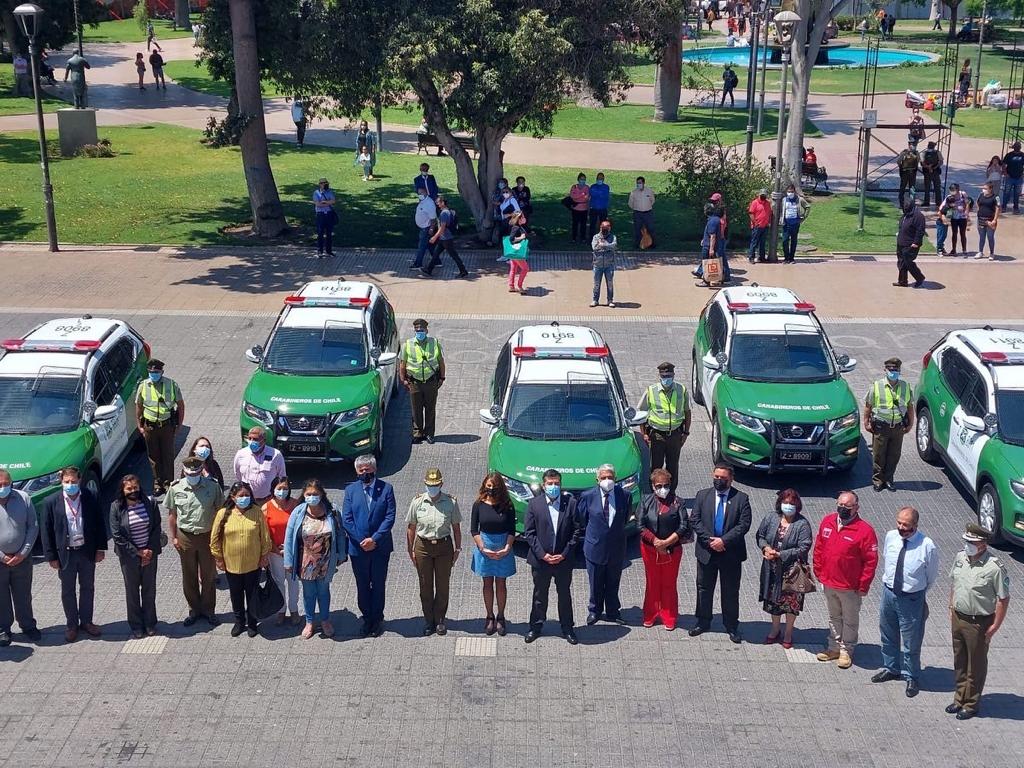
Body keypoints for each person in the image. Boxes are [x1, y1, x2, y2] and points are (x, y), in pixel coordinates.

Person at [871, 506, 939, 698]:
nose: (901, 527)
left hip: (911, 598)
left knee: (911, 641)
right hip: (889, 592)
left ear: (915, 525)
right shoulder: (891, 537)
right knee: (887, 632)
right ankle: (891, 668)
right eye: (899, 523)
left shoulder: (927, 545)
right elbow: (887, 559)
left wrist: (918, 592)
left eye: (906, 525)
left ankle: (911, 676)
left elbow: (931, 575)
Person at [946, 523, 1010, 720]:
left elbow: (1003, 599)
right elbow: (955, 584)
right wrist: (951, 607)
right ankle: (959, 699)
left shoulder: (994, 567)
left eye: (972, 542)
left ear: (983, 544)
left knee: (976, 665)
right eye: (966, 541)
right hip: (958, 617)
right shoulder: (960, 558)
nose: (968, 545)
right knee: (960, 661)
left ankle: (971, 704)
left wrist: (995, 626)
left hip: (979, 622)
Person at [40, 467, 107, 643]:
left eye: (74, 482)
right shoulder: (51, 502)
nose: (71, 485)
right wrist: (51, 557)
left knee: (88, 587)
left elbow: (100, 522)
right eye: (67, 482)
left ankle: (86, 621)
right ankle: (71, 625)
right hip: (65, 553)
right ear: (61, 482)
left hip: (86, 551)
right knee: (68, 590)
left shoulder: (90, 496)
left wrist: (100, 548)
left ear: (80, 480)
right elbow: (46, 531)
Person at [813, 491, 878, 669]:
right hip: (828, 582)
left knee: (850, 619)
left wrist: (864, 585)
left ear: (856, 507)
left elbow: (870, 561)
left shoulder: (865, 531)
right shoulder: (828, 521)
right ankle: (833, 647)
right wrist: (818, 571)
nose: (842, 509)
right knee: (834, 616)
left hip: (850, 587)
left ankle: (846, 651)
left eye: (847, 507)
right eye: (840, 505)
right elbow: (819, 547)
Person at [689, 464, 752, 643]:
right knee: (703, 588)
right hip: (706, 552)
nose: (718, 480)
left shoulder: (741, 498)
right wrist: (710, 540)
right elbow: (695, 519)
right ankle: (703, 621)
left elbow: (743, 525)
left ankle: (731, 625)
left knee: (730, 591)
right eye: (716, 477)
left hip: (730, 553)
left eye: (723, 478)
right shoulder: (703, 495)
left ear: (730, 479)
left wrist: (723, 541)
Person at [284, 479, 347, 639]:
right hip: (305, 562)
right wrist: (288, 561)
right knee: (309, 593)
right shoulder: (298, 512)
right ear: (304, 495)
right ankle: (310, 622)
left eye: (315, 494)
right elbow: (289, 537)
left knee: (323, 591)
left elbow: (340, 533)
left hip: (326, 561)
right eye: (309, 494)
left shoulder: (332, 511)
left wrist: (341, 554)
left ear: (321, 495)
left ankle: (325, 620)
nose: (312, 497)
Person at [523, 470, 581, 644]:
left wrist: (564, 554)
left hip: (563, 561)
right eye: (550, 483)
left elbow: (576, 532)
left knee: (564, 594)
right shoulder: (534, 504)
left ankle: (567, 628)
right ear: (543, 485)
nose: (553, 486)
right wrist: (543, 555)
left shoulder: (570, 504)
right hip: (541, 561)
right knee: (540, 595)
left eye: (556, 483)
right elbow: (530, 533)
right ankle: (536, 627)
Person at [342, 455, 396, 637]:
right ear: (357, 472)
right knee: (363, 585)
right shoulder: (350, 490)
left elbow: (389, 517)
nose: (365, 473)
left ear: (374, 470)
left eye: (368, 469)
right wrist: (361, 541)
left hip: (380, 548)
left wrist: (375, 539)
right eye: (361, 470)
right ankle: (367, 619)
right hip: (358, 549)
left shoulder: (387, 489)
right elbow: (347, 520)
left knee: (379, 584)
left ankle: (377, 619)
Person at [167, 456, 224, 626]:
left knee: (208, 575)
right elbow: (172, 515)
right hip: (185, 536)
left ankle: (208, 610)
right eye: (189, 473)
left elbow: (220, 511)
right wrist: (174, 537)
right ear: (184, 472)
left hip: (207, 535)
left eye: (196, 472)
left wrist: (219, 537)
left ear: (201, 471)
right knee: (189, 575)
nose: (193, 475)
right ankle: (194, 610)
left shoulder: (212, 486)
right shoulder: (176, 488)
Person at [210, 482, 272, 638]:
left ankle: (252, 623)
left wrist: (264, 555)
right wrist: (218, 558)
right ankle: (239, 622)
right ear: (233, 497)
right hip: (232, 564)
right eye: (241, 496)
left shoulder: (257, 512)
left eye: (247, 495)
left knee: (252, 594)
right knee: (236, 594)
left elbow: (265, 536)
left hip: (253, 563)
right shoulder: (223, 513)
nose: (244, 498)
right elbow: (215, 538)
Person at [406, 468, 462, 636]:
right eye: (430, 485)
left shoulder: (450, 502)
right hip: (423, 546)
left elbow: (456, 528)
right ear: (425, 484)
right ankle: (428, 620)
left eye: (436, 484)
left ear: (441, 484)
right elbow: (411, 528)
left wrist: (458, 548)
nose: (433, 487)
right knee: (425, 585)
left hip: (444, 547)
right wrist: (411, 550)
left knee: (443, 585)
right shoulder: (417, 502)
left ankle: (440, 620)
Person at [756, 489, 813, 649]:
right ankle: (775, 630)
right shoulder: (771, 517)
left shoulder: (802, 524)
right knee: (773, 601)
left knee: (790, 604)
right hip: (772, 569)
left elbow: (804, 546)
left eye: (792, 503)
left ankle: (788, 632)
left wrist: (780, 554)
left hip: (792, 572)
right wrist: (766, 548)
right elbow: (760, 536)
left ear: (797, 505)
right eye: (786, 503)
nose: (788, 506)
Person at [577, 465, 631, 627]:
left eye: (610, 477)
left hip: (616, 548)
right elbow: (582, 519)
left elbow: (625, 518)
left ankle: (613, 612)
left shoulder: (624, 495)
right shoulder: (588, 496)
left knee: (613, 582)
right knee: (595, 582)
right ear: (597, 480)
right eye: (603, 478)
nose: (607, 481)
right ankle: (595, 611)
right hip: (594, 547)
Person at [109, 474, 163, 639]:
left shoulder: (150, 503)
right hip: (129, 557)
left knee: (149, 590)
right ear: (123, 490)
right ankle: (136, 625)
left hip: (149, 553)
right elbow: (117, 535)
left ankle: (150, 623)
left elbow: (156, 527)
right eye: (129, 489)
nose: (133, 491)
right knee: (132, 591)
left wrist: (148, 550)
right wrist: (137, 552)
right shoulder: (116, 507)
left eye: (135, 488)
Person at [638, 469, 691, 631]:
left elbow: (684, 526)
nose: (663, 488)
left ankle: (669, 616)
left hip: (672, 550)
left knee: (669, 582)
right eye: (659, 485)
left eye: (666, 485)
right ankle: (650, 614)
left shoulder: (678, 502)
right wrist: (655, 541)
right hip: (649, 549)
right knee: (652, 582)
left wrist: (666, 542)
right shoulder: (645, 501)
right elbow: (640, 525)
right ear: (653, 486)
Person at [470, 472, 516, 636]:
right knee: (487, 583)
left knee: (501, 584)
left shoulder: (507, 504)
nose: (491, 489)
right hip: (485, 546)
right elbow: (474, 529)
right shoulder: (479, 504)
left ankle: (501, 617)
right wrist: (483, 548)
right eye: (488, 486)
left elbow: (512, 529)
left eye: (494, 487)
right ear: (484, 485)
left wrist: (507, 548)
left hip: (503, 546)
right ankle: (489, 616)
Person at [636, 362, 691, 493]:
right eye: (664, 375)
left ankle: (670, 493)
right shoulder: (651, 390)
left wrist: (686, 433)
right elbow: (642, 412)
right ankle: (655, 492)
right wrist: (644, 433)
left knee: (673, 467)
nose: (667, 378)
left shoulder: (681, 390)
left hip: (675, 435)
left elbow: (687, 412)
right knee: (655, 466)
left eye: (669, 375)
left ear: (674, 375)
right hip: (657, 435)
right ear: (660, 376)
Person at [0, 469, 40, 647]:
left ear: (11, 483)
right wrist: (2, 557)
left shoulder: (24, 498)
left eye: (6, 484)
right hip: (0, 561)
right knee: (1, 597)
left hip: (22, 559)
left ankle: (28, 625)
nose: (3, 487)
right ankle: (3, 629)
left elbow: (33, 526)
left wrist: (22, 553)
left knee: (23, 595)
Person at [864, 357, 915, 492]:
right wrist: (866, 422)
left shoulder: (905, 386)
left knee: (894, 455)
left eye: (896, 370)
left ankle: (889, 479)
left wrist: (910, 424)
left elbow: (910, 407)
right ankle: (878, 480)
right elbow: (868, 405)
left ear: (899, 371)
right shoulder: (877, 386)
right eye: (890, 369)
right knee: (879, 455)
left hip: (898, 427)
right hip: (881, 426)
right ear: (885, 370)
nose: (893, 372)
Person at [135, 358, 183, 496]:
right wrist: (140, 426)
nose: (153, 374)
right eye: (151, 371)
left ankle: (168, 483)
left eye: (156, 372)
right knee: (153, 456)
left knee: (167, 455)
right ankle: (157, 483)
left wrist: (179, 425)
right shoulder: (143, 385)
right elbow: (139, 405)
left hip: (166, 426)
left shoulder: (171, 385)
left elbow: (180, 405)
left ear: (162, 372)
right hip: (150, 426)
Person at [262, 476, 301, 625]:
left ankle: (294, 610)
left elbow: (300, 528)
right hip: (275, 552)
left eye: (285, 488)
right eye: (279, 488)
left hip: (292, 551)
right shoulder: (266, 508)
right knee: (279, 582)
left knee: (293, 582)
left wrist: (291, 547)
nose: (282, 491)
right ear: (273, 489)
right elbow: (264, 532)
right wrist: (273, 549)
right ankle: (281, 610)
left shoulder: (295, 505)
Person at [399, 318, 445, 444]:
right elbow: (403, 363)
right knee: (416, 409)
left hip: (431, 381)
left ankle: (429, 433)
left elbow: (441, 361)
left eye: (422, 330)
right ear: (414, 330)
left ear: (426, 330)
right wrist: (403, 379)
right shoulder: (408, 344)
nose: (419, 332)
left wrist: (442, 378)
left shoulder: (434, 343)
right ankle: (417, 433)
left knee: (430, 409)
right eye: (417, 330)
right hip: (414, 382)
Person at [233, 426, 287, 506]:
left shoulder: (275, 454)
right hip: (248, 500)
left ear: (264, 440)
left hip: (268, 500)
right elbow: (237, 474)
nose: (251, 442)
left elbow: (282, 477)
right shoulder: (241, 454)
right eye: (250, 438)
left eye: (255, 439)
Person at [423, 196, 469, 278]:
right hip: (443, 238)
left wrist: (434, 237)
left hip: (446, 239)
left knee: (454, 255)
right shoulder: (447, 212)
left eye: (438, 202)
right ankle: (429, 269)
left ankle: (463, 271)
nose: (437, 204)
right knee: (435, 254)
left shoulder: (444, 213)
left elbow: (442, 227)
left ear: (443, 203)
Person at [694, 198, 731, 282]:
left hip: (712, 244)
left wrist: (711, 249)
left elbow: (713, 236)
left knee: (711, 261)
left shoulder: (713, 220)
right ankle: (720, 277)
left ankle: (707, 280)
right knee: (717, 260)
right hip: (714, 243)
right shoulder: (715, 219)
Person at [893, 198, 926, 288]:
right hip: (901, 242)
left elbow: (920, 231)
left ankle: (919, 277)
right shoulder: (905, 215)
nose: (905, 208)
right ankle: (903, 281)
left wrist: (916, 242)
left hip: (910, 244)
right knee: (901, 262)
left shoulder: (918, 216)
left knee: (908, 262)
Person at [590, 219, 617, 308]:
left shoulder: (613, 237)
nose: (605, 229)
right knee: (596, 283)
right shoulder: (596, 237)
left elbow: (613, 246)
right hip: (597, 264)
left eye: (607, 227)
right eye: (603, 227)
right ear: (600, 227)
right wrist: (605, 246)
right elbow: (594, 247)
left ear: (610, 228)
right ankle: (595, 300)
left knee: (610, 283)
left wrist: (604, 245)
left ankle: (610, 300)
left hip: (609, 265)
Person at [780, 184, 809, 264]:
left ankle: (791, 258)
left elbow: (808, 207)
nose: (790, 193)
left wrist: (803, 218)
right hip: (786, 224)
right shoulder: (784, 200)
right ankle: (786, 258)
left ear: (795, 191)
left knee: (794, 241)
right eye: (789, 192)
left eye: (792, 191)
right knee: (785, 241)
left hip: (795, 224)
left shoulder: (799, 199)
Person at [412, 185, 438, 272]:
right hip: (423, 227)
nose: (420, 195)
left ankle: (418, 263)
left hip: (426, 228)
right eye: (419, 193)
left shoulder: (429, 204)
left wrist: (431, 229)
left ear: (426, 193)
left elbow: (433, 219)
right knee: (430, 246)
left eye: (421, 193)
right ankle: (437, 261)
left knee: (421, 246)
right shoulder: (423, 201)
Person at [943, 183, 973, 257]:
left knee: (963, 233)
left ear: (957, 189)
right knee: (954, 233)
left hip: (962, 217)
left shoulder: (963, 194)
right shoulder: (949, 197)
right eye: (951, 190)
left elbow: (967, 203)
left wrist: (966, 212)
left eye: (953, 190)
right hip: (954, 217)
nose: (952, 192)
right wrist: (956, 208)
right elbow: (948, 206)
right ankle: (954, 250)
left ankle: (964, 250)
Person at [628, 176, 656, 249]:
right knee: (637, 229)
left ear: (643, 183)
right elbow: (630, 204)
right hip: (637, 213)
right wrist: (637, 208)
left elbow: (652, 201)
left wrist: (646, 207)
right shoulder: (633, 192)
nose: (638, 184)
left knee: (650, 228)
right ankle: (638, 244)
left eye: (640, 183)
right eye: (637, 183)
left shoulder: (649, 191)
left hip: (648, 213)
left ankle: (652, 244)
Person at [506, 211, 530, 295]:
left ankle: (511, 286)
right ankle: (519, 286)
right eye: (523, 217)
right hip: (517, 252)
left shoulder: (518, 226)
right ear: (519, 219)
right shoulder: (516, 227)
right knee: (525, 268)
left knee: (513, 268)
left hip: (514, 252)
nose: (524, 218)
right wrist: (520, 237)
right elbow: (511, 239)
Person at [974, 180, 1000, 260]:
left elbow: (998, 208)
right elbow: (977, 202)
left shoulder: (996, 197)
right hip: (981, 220)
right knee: (982, 237)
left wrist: (994, 220)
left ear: (990, 189)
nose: (983, 189)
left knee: (990, 237)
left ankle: (992, 253)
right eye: (983, 188)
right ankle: (980, 252)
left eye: (985, 188)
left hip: (990, 220)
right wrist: (979, 211)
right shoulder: (981, 195)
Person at [312, 177, 337, 258]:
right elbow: (317, 204)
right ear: (320, 185)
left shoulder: (330, 192)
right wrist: (328, 203)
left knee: (329, 234)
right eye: (323, 183)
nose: (325, 185)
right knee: (320, 233)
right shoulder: (316, 193)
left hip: (329, 214)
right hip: (320, 215)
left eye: (326, 183)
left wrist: (325, 202)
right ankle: (320, 251)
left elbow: (333, 201)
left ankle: (329, 251)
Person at [747, 189, 772, 263]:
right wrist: (755, 223)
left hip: (765, 226)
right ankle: (751, 257)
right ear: (759, 195)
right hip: (757, 226)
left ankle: (761, 257)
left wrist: (769, 222)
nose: (763, 196)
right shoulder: (755, 202)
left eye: (764, 195)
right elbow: (751, 213)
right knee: (754, 242)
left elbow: (769, 213)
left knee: (763, 243)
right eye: (762, 195)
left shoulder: (767, 203)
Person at [1000, 141, 1024, 213]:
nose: (1017, 147)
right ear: (1014, 147)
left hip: (1019, 178)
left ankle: (1016, 208)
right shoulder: (1009, 155)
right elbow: (1004, 164)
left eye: (1019, 146)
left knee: (1017, 194)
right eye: (1016, 146)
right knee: (1006, 192)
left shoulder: (1023, 155)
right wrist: (1005, 173)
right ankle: (1004, 206)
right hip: (1009, 177)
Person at [896, 144, 920, 209]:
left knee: (902, 188)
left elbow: (898, 161)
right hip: (912, 173)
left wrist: (901, 167)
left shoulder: (904, 152)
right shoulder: (916, 153)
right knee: (912, 189)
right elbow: (918, 161)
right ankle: (912, 204)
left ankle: (901, 204)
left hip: (905, 173)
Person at [920, 141, 943, 207]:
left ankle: (926, 202)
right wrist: (934, 167)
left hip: (927, 172)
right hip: (935, 172)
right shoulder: (937, 152)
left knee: (927, 188)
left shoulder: (924, 153)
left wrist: (928, 167)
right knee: (937, 187)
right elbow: (941, 161)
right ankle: (938, 202)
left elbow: (922, 162)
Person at [569, 173, 590, 243]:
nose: (583, 181)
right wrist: (582, 194)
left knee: (583, 224)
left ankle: (583, 237)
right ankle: (574, 237)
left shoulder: (587, 187)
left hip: (584, 209)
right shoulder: (574, 187)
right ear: (578, 179)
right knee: (575, 224)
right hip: (575, 209)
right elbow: (572, 196)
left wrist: (578, 196)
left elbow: (586, 198)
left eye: (584, 179)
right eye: (581, 179)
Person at [588, 172, 611, 237]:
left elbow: (604, 195)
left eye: (601, 178)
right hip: (593, 208)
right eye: (598, 178)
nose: (599, 179)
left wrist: (597, 194)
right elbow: (592, 195)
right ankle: (591, 238)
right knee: (592, 225)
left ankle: (603, 238)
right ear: (596, 178)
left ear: (603, 179)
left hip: (603, 209)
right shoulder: (593, 186)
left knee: (604, 225)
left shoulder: (606, 187)